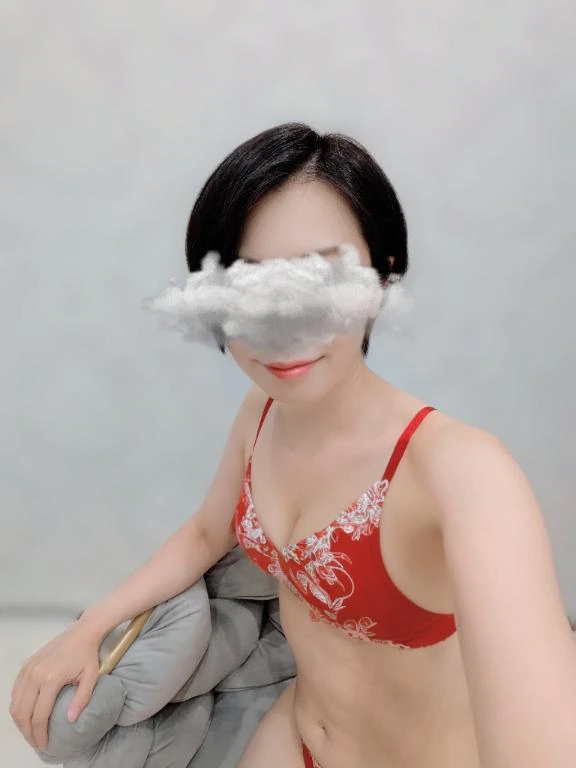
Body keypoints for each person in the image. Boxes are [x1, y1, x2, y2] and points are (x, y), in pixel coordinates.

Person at [10, 123, 576, 768]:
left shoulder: (463, 473)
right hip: (294, 736)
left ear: (384, 273)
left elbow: (541, 740)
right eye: (249, 287)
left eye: (320, 279)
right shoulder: (262, 414)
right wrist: (88, 628)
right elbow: (206, 533)